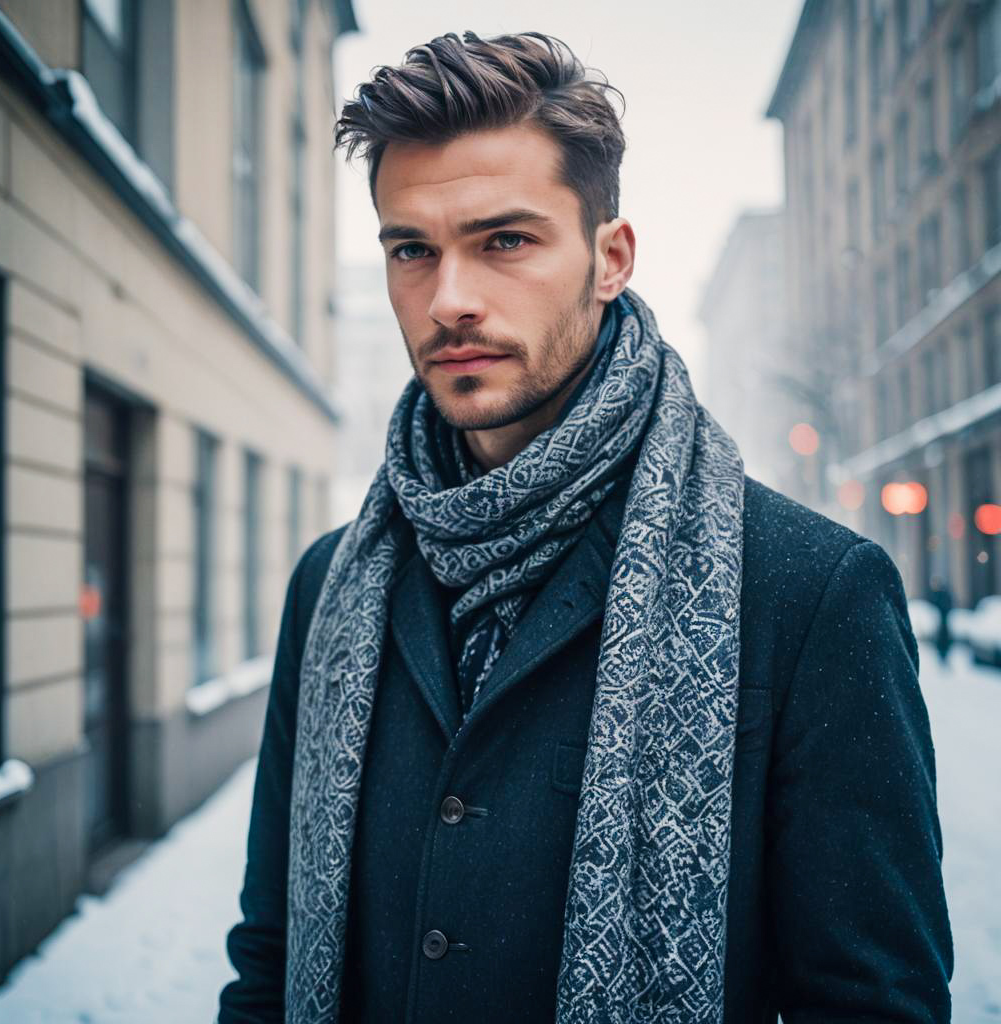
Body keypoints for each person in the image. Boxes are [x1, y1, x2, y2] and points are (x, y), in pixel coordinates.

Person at [218, 31, 952, 1024]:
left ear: (610, 259)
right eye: (412, 250)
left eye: (504, 241)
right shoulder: (330, 585)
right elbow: (270, 956)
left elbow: (871, 1004)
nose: (449, 300)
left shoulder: (807, 591)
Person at [927, 574, 954, 664]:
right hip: (941, 622)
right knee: (942, 640)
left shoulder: (941, 594)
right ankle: (943, 655)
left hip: (943, 622)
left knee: (943, 639)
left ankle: (943, 655)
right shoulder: (939, 594)